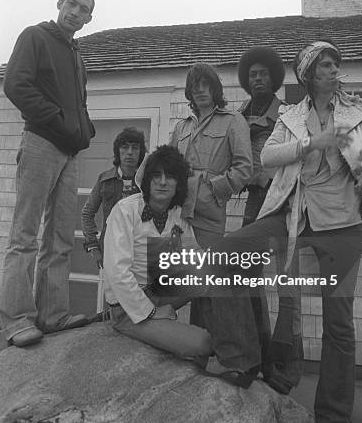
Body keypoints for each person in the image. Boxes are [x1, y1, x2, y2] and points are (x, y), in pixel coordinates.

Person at [207, 39, 362, 423]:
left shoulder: (360, 110)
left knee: (338, 325)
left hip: (343, 226)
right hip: (293, 215)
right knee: (223, 256)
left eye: (335, 64)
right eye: (325, 65)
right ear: (308, 74)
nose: (333, 70)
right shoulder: (292, 115)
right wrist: (313, 143)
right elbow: (271, 157)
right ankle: (241, 356)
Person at [103, 145, 260, 388]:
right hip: (128, 308)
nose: (163, 183)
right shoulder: (124, 211)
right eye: (156, 176)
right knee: (203, 343)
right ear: (147, 180)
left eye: (170, 177)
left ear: (179, 184)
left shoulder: (176, 214)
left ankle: (241, 361)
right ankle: (211, 353)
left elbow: (194, 258)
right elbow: (117, 273)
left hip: (161, 290)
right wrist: (152, 312)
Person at [0, 0, 96, 347]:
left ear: (88, 19)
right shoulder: (35, 36)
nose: (75, 11)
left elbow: (79, 105)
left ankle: (53, 316)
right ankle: (15, 321)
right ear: (59, 4)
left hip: (69, 153)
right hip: (40, 142)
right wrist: (56, 119)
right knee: (24, 235)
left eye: (83, 8)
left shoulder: (77, 56)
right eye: (71, 3)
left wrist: (84, 132)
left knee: (59, 238)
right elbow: (15, 84)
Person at [170, 62, 252, 247]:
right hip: (176, 211)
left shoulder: (233, 121)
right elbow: (168, 165)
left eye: (205, 84)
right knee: (176, 271)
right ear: (189, 92)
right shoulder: (181, 126)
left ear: (215, 88)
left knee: (206, 271)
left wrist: (212, 191)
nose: (199, 90)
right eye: (194, 86)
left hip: (208, 215)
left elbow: (244, 168)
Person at [81, 127, 147, 267]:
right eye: (124, 147)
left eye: (135, 148)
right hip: (111, 250)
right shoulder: (105, 179)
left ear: (141, 152)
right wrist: (93, 246)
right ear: (117, 151)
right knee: (112, 288)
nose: (129, 152)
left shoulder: (148, 181)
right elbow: (87, 213)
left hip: (141, 251)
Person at [237, 46, 285, 226]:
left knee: (279, 247)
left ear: (272, 77)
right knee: (248, 247)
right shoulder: (238, 115)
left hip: (279, 193)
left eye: (263, 73)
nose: (258, 78)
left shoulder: (286, 113)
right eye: (253, 74)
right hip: (253, 193)